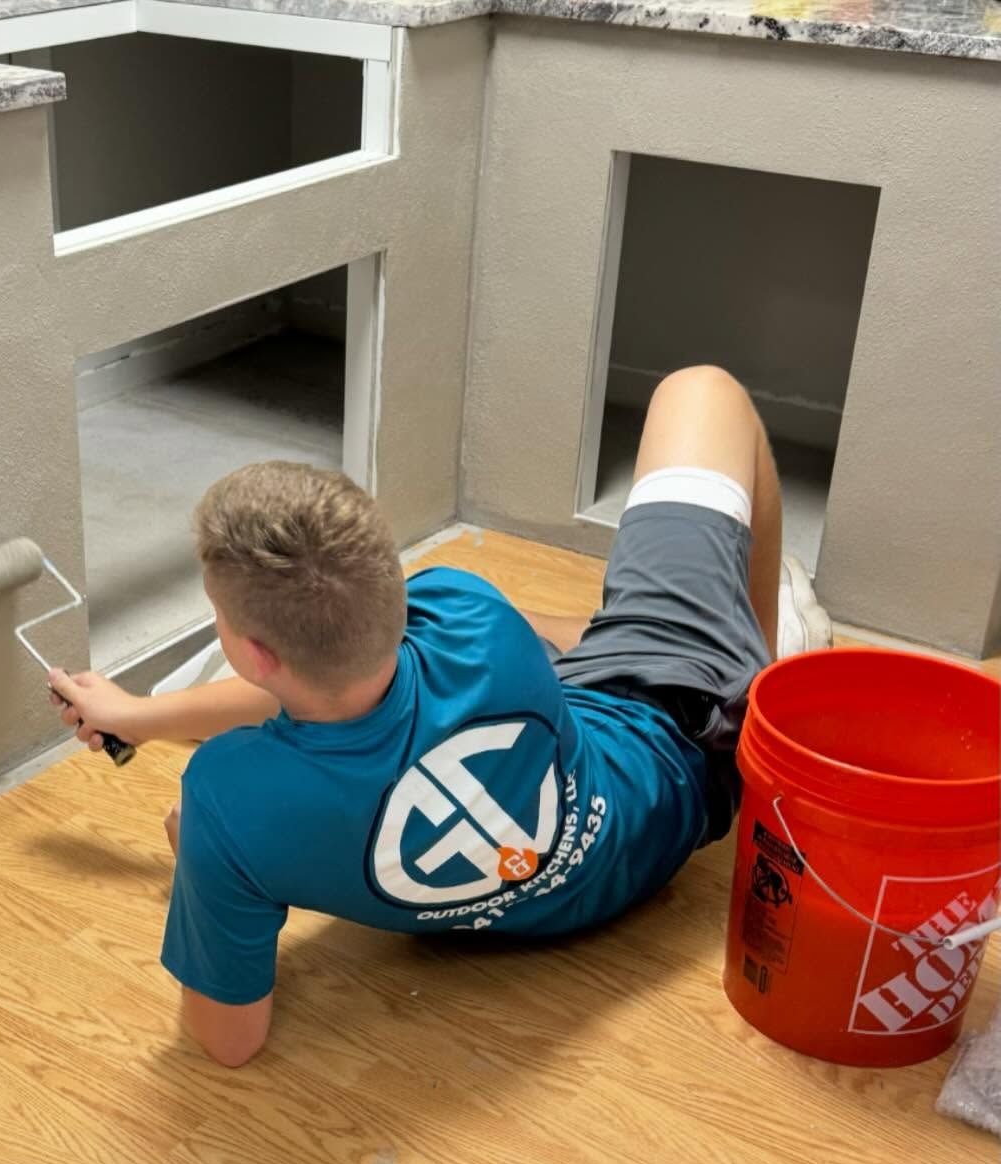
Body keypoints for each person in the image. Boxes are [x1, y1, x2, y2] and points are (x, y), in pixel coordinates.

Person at [48, 365, 832, 1066]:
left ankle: (764, 678)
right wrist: (142, 716)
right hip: (667, 774)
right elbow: (317, 674)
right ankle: (738, 658)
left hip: (668, 725)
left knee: (685, 435)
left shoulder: (228, 799)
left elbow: (230, 1039)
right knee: (701, 391)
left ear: (253, 655)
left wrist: (211, 864)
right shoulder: (467, 612)